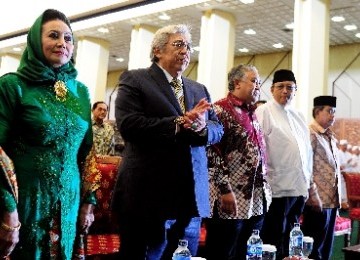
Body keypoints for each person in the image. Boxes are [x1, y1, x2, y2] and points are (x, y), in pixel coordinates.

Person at [111, 24, 223, 260]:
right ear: (157, 51)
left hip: (191, 198)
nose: (186, 50)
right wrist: (178, 122)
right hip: (149, 197)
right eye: (179, 44)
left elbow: (217, 129)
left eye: (189, 46)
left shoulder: (198, 88)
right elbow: (129, 125)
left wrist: (203, 128)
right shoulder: (135, 79)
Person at [0, 9, 98, 259]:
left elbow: (87, 152)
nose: (62, 43)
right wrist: (7, 209)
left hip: (70, 200)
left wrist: (89, 202)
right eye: (53, 35)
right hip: (26, 201)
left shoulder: (81, 92)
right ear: (35, 40)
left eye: (68, 38)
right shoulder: (13, 86)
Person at [204, 64, 272, 260]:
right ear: (236, 83)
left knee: (248, 252)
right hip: (230, 199)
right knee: (223, 251)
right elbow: (212, 154)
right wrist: (224, 189)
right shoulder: (219, 110)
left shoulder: (252, 113)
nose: (258, 86)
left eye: (259, 82)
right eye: (254, 81)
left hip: (256, 199)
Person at [255, 69, 313, 259]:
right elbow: (258, 149)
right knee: (273, 238)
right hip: (276, 188)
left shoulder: (298, 115)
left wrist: (309, 184)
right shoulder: (264, 111)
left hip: (298, 187)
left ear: (296, 90)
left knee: (292, 238)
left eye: (290, 87)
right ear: (272, 90)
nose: (285, 91)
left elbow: (306, 151)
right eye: (281, 87)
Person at [301, 95, 340, 260]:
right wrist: (312, 194)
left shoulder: (330, 136)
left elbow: (335, 168)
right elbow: (305, 167)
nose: (333, 116)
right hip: (316, 200)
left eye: (334, 112)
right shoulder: (310, 134)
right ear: (317, 112)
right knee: (314, 247)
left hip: (331, 200)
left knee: (326, 248)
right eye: (329, 111)